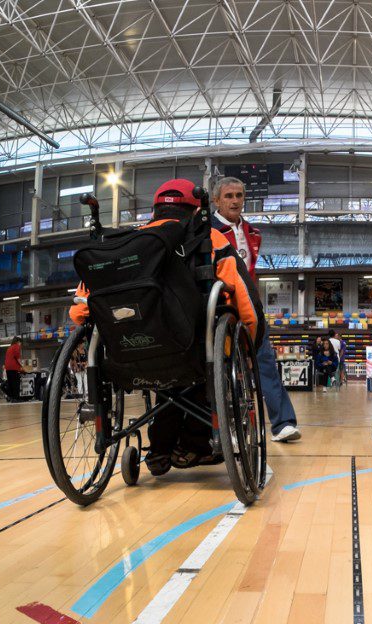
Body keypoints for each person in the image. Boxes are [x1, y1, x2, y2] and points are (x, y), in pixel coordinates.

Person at [70, 178, 262, 475]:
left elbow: (84, 303)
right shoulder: (212, 238)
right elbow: (245, 300)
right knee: (196, 371)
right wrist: (251, 339)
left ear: (155, 207)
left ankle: (159, 451)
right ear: (197, 206)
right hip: (193, 351)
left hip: (128, 355)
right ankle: (192, 446)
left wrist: (86, 321)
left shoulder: (128, 241)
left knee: (164, 382)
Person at [211, 176, 300, 443]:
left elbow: (250, 273)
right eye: (228, 196)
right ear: (216, 200)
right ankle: (228, 429)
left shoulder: (253, 233)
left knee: (266, 364)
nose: (235, 200)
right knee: (223, 370)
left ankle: (283, 423)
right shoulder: (206, 232)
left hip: (250, 308)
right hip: (221, 309)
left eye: (239, 195)